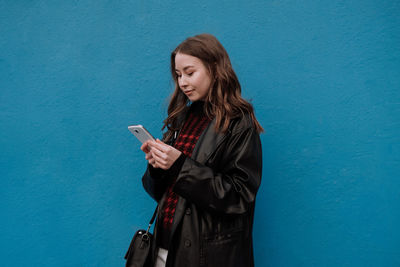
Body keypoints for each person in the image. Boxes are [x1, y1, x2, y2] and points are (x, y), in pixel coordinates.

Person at [140, 33, 263, 267]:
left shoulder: (239, 122)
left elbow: (239, 197)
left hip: (206, 257)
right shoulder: (182, 117)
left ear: (214, 69)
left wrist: (179, 165)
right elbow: (161, 194)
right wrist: (157, 166)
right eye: (178, 75)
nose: (182, 82)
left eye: (189, 72)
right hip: (164, 251)